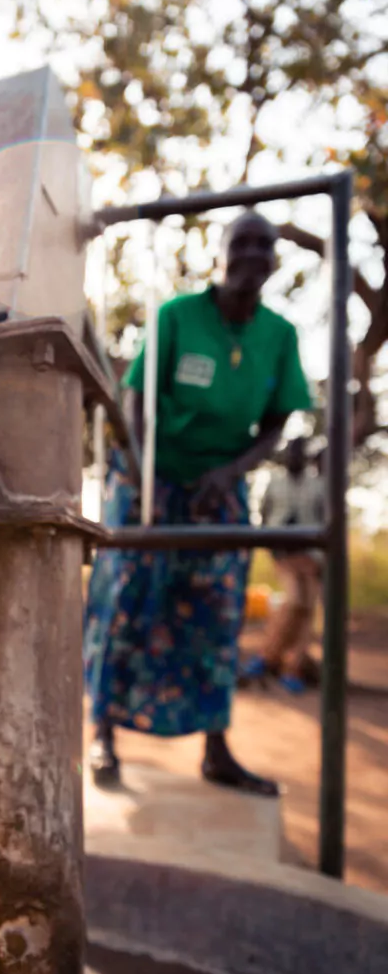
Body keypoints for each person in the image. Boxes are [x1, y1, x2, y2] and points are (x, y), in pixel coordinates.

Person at [84, 211, 312, 796]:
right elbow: (136, 400)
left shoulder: (279, 334)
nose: (255, 254)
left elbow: (278, 423)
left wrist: (231, 471)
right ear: (222, 253)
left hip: (221, 484)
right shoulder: (176, 316)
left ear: (275, 261)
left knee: (218, 608)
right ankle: (102, 733)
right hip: (148, 473)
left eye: (267, 244)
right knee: (128, 596)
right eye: (244, 243)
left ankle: (215, 748)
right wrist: (145, 472)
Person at [243, 439, 325, 692]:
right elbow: (265, 514)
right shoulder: (274, 482)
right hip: (284, 552)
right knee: (294, 601)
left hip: (311, 555)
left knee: (308, 610)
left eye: (299, 454)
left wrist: (319, 556)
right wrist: (272, 544)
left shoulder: (319, 485)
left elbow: (325, 519)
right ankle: (267, 655)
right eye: (291, 454)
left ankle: (293, 668)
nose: (294, 458)